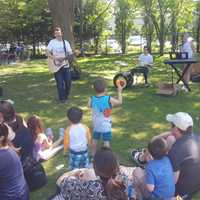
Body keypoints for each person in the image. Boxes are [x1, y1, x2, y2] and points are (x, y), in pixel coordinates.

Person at [50, 147, 131, 200]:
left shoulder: (92, 187)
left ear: (95, 169)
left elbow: (65, 185)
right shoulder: (124, 180)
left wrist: (73, 176)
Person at [166, 112, 200, 197]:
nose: (170, 128)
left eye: (171, 125)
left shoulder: (176, 150)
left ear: (176, 129)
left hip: (179, 194)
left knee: (139, 175)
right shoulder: (197, 138)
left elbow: (173, 181)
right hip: (195, 188)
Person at [88, 77, 124, 155]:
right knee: (106, 142)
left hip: (96, 125)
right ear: (105, 89)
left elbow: (90, 105)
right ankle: (107, 155)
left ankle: (93, 155)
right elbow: (119, 102)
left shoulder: (91, 98)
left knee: (94, 140)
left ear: (94, 89)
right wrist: (119, 91)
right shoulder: (108, 99)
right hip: (105, 125)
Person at [0, 123, 29, 200]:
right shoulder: (9, 149)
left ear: (1, 138)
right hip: (22, 192)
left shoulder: (3, 156)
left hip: (10, 196)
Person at [46, 27, 73, 103]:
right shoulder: (52, 42)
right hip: (56, 65)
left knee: (68, 82)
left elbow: (70, 53)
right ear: (54, 35)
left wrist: (71, 55)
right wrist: (54, 58)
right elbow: (47, 52)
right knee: (60, 83)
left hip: (65, 65)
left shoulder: (66, 42)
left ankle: (66, 96)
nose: (58, 34)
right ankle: (62, 99)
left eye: (59, 33)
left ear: (62, 33)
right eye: (56, 33)